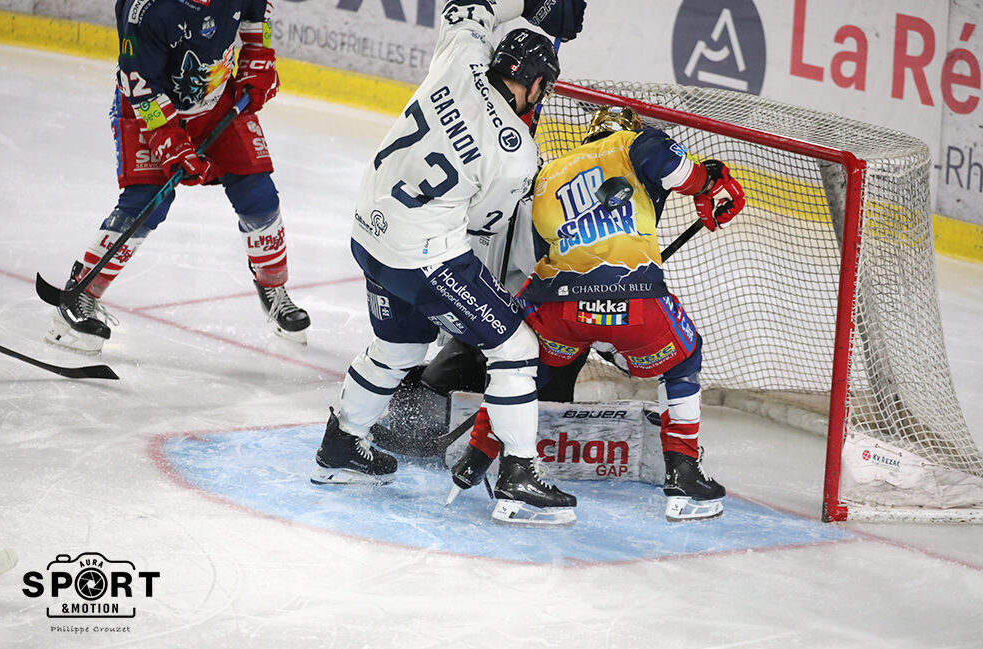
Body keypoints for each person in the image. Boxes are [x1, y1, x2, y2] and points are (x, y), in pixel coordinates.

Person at [310, 0, 587, 527]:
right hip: (422, 256)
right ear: (533, 84)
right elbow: (481, 228)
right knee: (515, 346)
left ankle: (342, 445)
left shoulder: (462, 56)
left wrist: (531, 5)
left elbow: (469, 6)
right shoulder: (517, 154)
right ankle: (519, 475)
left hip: (368, 231)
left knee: (399, 346)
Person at [449, 105, 746, 522]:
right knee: (683, 361)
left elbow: (543, 250)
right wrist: (707, 183)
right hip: (633, 301)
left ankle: (477, 455)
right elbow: (666, 161)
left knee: (519, 366)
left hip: (559, 306)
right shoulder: (631, 143)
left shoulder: (549, 173)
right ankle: (683, 472)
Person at [45, 0, 310, 354]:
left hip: (216, 101)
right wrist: (168, 140)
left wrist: (257, 56)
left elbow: (256, 13)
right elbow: (141, 86)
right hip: (149, 108)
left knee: (258, 194)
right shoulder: (145, 9)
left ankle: (272, 287)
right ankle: (81, 294)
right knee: (147, 201)